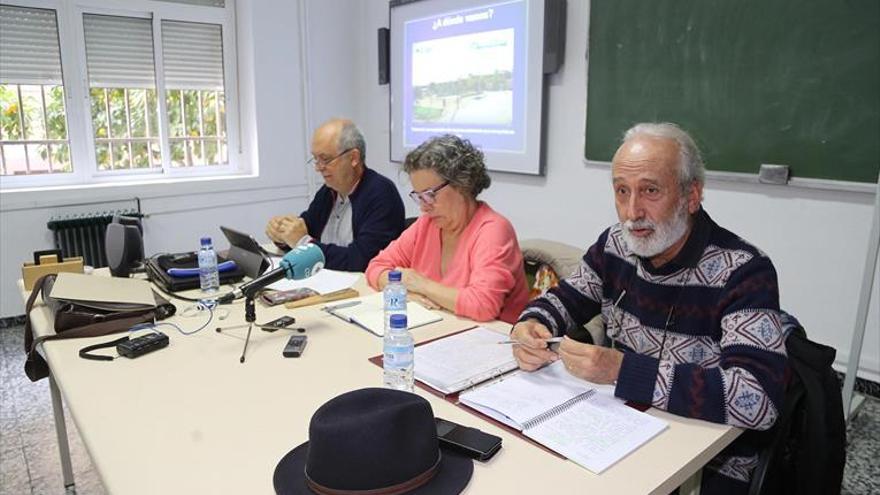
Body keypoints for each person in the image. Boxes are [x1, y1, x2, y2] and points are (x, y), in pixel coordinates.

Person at [511, 123, 787, 493]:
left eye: (650, 191)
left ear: (692, 196)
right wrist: (530, 325)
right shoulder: (615, 245)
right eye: (621, 192)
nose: (631, 211)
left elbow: (758, 399)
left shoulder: (744, 271)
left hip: (709, 462)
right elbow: (562, 301)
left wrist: (623, 371)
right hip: (619, 430)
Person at [365, 134, 529, 324]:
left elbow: (483, 305)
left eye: (429, 195)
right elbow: (376, 267)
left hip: (493, 340)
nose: (423, 207)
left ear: (462, 185)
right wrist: (404, 291)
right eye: (418, 197)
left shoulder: (494, 231)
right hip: (441, 329)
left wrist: (422, 285)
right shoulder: (427, 224)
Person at [265, 118, 405, 271]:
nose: (319, 168)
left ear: (353, 158)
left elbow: (362, 259)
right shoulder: (329, 190)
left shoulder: (381, 193)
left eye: (325, 159)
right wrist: (283, 235)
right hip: (326, 279)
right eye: (316, 159)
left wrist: (302, 242)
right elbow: (305, 229)